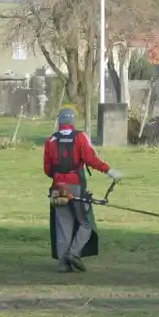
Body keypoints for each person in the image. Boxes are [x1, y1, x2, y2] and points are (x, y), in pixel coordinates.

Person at [44, 106, 121, 272]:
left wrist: (60, 178)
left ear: (60, 121)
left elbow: (47, 169)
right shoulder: (80, 137)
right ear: (73, 120)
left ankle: (63, 264)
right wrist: (109, 171)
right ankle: (74, 253)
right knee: (85, 224)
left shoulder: (51, 140)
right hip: (76, 186)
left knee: (63, 225)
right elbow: (91, 159)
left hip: (57, 186)